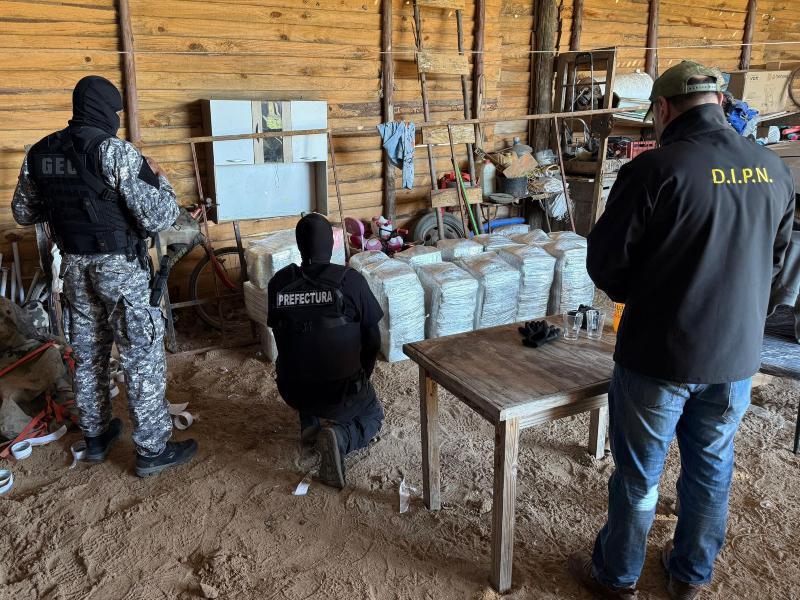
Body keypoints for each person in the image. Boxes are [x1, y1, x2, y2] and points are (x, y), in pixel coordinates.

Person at [568, 61, 796, 599]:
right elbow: (782, 263)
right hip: (737, 357)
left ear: (665, 109)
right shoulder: (773, 168)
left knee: (639, 475)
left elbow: (605, 262)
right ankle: (691, 575)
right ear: (720, 105)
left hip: (660, 356)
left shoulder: (653, 171)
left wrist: (644, 294)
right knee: (712, 467)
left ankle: (618, 576)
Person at [12, 76, 198, 477]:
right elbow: (159, 215)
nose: (115, 119)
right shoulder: (115, 152)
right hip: (120, 270)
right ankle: (151, 449)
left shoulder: (41, 153)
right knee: (140, 354)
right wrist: (158, 176)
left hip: (75, 268)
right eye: (114, 112)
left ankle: (96, 437)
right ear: (104, 111)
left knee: (90, 354)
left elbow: (24, 213)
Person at [267, 213, 384, 489]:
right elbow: (373, 341)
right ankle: (341, 437)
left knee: (305, 351)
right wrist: (361, 376)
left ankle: (310, 422)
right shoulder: (350, 281)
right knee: (373, 415)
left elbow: (281, 336)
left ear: (300, 246)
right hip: (340, 392)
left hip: (292, 389)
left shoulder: (279, 284)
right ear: (332, 246)